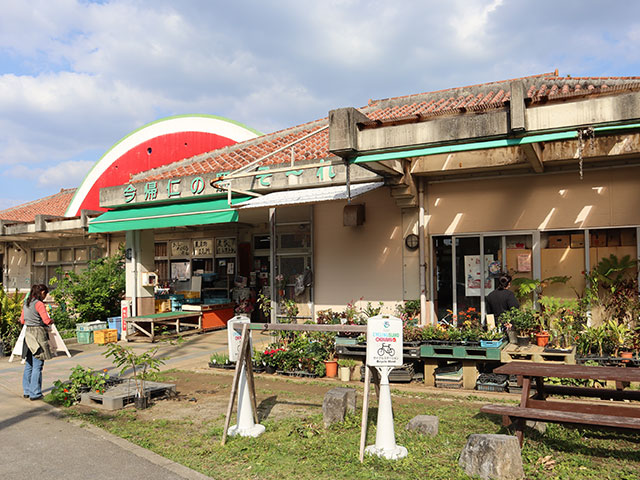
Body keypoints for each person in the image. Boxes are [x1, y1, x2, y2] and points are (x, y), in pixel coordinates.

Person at [20, 284, 53, 401]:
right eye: (46, 294)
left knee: (29, 364)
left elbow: (22, 320)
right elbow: (46, 320)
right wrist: (51, 320)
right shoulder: (39, 304)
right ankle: (35, 393)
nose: (45, 296)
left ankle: (27, 391)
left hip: (27, 334)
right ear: (42, 292)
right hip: (38, 334)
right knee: (38, 365)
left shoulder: (26, 303)